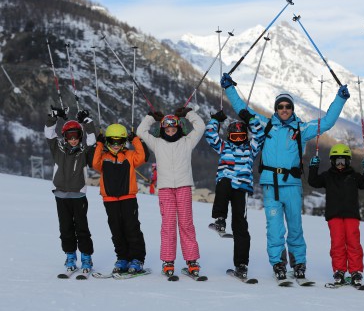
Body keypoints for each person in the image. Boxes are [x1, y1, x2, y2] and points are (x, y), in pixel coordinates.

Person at [220, 72, 350, 281]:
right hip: (270, 185)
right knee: (274, 228)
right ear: (276, 109)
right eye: (280, 107)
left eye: (287, 107)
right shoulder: (265, 124)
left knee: (295, 227)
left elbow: (326, 122)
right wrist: (228, 88)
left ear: (292, 109)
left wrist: (340, 99)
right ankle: (278, 263)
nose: (284, 110)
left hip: (292, 185)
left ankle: (298, 263)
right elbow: (243, 110)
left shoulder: (301, 128)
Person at [137, 107, 205, 278]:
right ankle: (168, 261)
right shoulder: (157, 143)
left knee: (186, 224)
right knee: (168, 225)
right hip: (166, 188)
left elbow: (200, 127)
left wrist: (188, 113)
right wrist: (151, 117)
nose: (170, 132)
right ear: (162, 130)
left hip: (183, 186)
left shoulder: (187, 142)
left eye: (173, 129)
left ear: (179, 129)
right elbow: (141, 131)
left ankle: (192, 261)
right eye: (167, 129)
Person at [204, 109, 265, 278]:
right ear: (229, 137)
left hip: (241, 188)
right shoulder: (224, 146)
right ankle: (220, 219)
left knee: (240, 225)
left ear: (245, 137)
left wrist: (251, 119)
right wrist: (216, 120)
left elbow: (260, 135)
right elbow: (210, 136)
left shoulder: (250, 149)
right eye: (234, 137)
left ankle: (241, 264)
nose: (238, 141)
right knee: (223, 185)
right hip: (226, 182)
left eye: (241, 137)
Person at [308, 143, 364, 287]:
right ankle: (339, 270)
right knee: (337, 243)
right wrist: (313, 167)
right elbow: (313, 181)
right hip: (334, 215)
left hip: (351, 215)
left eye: (343, 161)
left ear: (348, 161)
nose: (340, 164)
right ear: (332, 161)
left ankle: (356, 271)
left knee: (353, 243)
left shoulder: (354, 176)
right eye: (337, 161)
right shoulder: (327, 176)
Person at [44, 107, 96, 273]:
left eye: (76, 136)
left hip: (78, 195)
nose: (73, 140)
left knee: (81, 227)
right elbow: (49, 134)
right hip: (61, 195)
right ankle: (70, 255)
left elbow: (92, 140)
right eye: (69, 136)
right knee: (65, 227)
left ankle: (86, 256)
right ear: (65, 137)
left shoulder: (83, 152)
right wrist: (53, 117)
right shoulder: (58, 149)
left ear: (80, 137)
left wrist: (86, 122)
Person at [92, 123, 148, 274]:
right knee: (116, 229)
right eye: (112, 141)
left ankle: (137, 258)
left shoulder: (129, 156)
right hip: (110, 199)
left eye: (119, 141)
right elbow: (94, 163)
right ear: (107, 142)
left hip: (128, 198)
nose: (115, 145)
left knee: (132, 227)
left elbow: (142, 157)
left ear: (124, 142)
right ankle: (122, 257)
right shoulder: (103, 157)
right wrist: (99, 144)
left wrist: (135, 139)